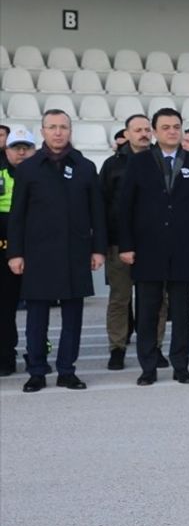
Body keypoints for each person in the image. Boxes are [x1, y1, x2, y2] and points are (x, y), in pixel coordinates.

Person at [7, 110, 106, 393]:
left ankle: (67, 371)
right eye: (52, 127)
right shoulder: (28, 168)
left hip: (75, 252)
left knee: (73, 317)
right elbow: (17, 215)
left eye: (63, 127)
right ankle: (37, 371)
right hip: (38, 253)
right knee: (36, 318)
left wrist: (98, 249)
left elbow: (96, 213)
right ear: (43, 131)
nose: (58, 132)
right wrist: (15, 253)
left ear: (70, 130)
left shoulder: (85, 167)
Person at [118, 108, 189, 385]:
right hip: (147, 249)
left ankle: (180, 365)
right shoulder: (139, 162)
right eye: (166, 127)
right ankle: (148, 366)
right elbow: (125, 207)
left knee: (182, 312)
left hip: (183, 249)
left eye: (176, 126)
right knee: (147, 311)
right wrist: (127, 245)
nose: (172, 131)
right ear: (155, 131)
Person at [100, 113, 162, 371]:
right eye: (137, 130)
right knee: (120, 298)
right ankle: (117, 348)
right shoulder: (112, 165)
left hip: (155, 243)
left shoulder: (162, 161)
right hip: (118, 243)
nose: (143, 134)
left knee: (158, 300)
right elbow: (102, 205)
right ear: (126, 134)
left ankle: (154, 347)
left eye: (147, 129)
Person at [0, 128, 37, 377]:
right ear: (7, 150)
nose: (21, 152)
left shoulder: (44, 174)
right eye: (16, 147)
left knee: (39, 309)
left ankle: (37, 354)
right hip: (5, 251)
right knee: (4, 308)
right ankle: (6, 357)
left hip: (38, 250)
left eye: (26, 147)